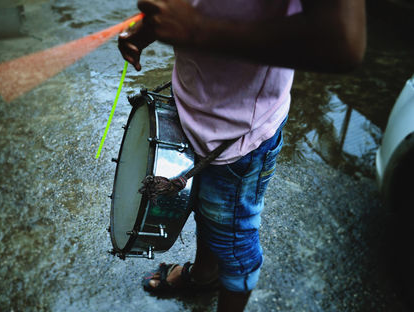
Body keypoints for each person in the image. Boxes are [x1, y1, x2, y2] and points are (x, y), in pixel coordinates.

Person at [118, 0, 366, 311]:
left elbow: (342, 42)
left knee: (234, 244)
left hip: (240, 138)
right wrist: (152, 26)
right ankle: (206, 275)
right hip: (196, 107)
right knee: (205, 209)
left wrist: (198, 28)